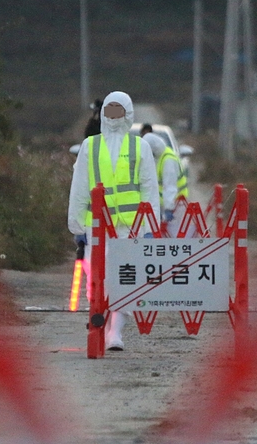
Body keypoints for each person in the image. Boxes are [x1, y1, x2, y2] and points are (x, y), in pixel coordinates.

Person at [68, 91, 160, 351]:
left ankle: (115, 332)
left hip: (130, 227)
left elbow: (149, 188)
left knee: (126, 279)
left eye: (119, 110)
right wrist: (76, 224)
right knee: (96, 277)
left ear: (128, 114)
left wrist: (151, 227)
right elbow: (79, 187)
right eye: (110, 110)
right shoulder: (90, 146)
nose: (114, 116)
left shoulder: (139, 147)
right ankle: (101, 324)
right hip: (96, 226)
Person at [142, 132, 189, 236]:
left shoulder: (168, 160)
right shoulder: (160, 156)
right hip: (165, 205)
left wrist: (169, 209)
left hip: (175, 205)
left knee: (173, 239)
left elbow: (170, 187)